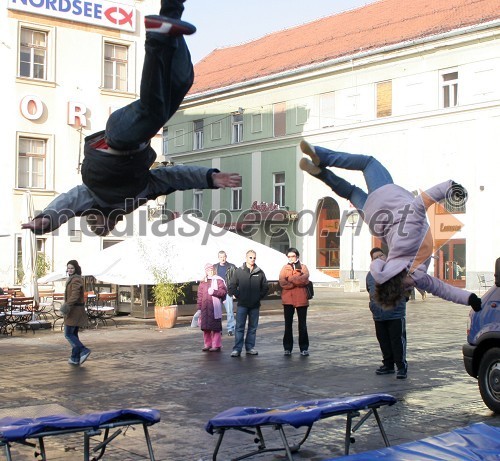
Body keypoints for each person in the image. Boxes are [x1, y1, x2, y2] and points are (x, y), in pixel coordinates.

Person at [21, 0, 240, 237]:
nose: (109, 227)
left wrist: (46, 219)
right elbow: (172, 178)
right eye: (109, 228)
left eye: (102, 227)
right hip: (137, 142)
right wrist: (210, 177)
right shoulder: (139, 195)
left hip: (116, 138)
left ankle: (156, 38)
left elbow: (69, 201)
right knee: (181, 82)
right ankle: (171, 12)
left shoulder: (93, 197)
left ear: (95, 217)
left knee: (153, 111)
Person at [298, 139, 481, 312]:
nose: (410, 289)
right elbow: (443, 289)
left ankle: (323, 156)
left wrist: (450, 187)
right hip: (373, 218)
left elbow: (419, 204)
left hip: (386, 200)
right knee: (351, 192)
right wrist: (470, 298)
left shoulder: (412, 257)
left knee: (368, 163)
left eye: (406, 290)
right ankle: (321, 173)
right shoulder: (405, 271)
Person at [367, 248, 408, 379]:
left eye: (381, 256)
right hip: (378, 315)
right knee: (383, 341)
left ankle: (401, 367)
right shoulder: (370, 275)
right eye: (375, 258)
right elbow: (370, 290)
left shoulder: (397, 271)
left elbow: (407, 289)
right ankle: (388, 365)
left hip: (395, 314)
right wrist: (373, 306)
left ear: (386, 257)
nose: (379, 259)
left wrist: (398, 303)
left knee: (397, 341)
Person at [228, 250, 269, 357]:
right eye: (250, 257)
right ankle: (237, 349)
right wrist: (238, 295)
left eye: (254, 258)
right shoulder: (239, 271)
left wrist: (258, 297)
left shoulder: (259, 272)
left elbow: (265, 287)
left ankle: (250, 347)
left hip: (255, 305)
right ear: (246, 258)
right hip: (242, 304)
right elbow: (231, 285)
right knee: (239, 327)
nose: (252, 259)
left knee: (252, 327)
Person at [278, 248, 311, 356]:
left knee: (302, 325)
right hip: (288, 300)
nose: (291, 258)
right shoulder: (284, 268)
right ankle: (287, 348)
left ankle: (304, 348)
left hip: (301, 299)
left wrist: (290, 278)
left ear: (297, 256)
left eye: (292, 256)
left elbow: (305, 280)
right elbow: (282, 282)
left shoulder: (303, 267)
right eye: (289, 256)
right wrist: (296, 280)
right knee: (288, 325)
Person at [63, 260, 91, 365]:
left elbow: (74, 295)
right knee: (74, 334)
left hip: (74, 310)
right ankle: (75, 358)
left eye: (72, 268)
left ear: (76, 269)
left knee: (68, 334)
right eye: (68, 268)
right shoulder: (73, 279)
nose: (70, 270)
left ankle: (83, 350)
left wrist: (67, 306)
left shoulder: (76, 280)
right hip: (74, 310)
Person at [197, 263, 227, 352]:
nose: (209, 272)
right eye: (207, 270)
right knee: (206, 328)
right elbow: (200, 296)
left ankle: (216, 345)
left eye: (210, 270)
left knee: (215, 327)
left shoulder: (218, 280)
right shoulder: (203, 282)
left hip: (215, 308)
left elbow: (223, 292)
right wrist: (199, 308)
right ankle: (207, 344)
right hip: (205, 309)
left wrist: (214, 292)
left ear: (213, 270)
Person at [213, 250, 237, 336]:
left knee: (230, 311)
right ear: (218, 258)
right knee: (217, 311)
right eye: (221, 257)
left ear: (226, 257)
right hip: (218, 291)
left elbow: (236, 279)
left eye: (224, 257)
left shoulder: (232, 267)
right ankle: (218, 329)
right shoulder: (214, 267)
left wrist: (235, 291)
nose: (222, 259)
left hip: (228, 292)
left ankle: (230, 329)